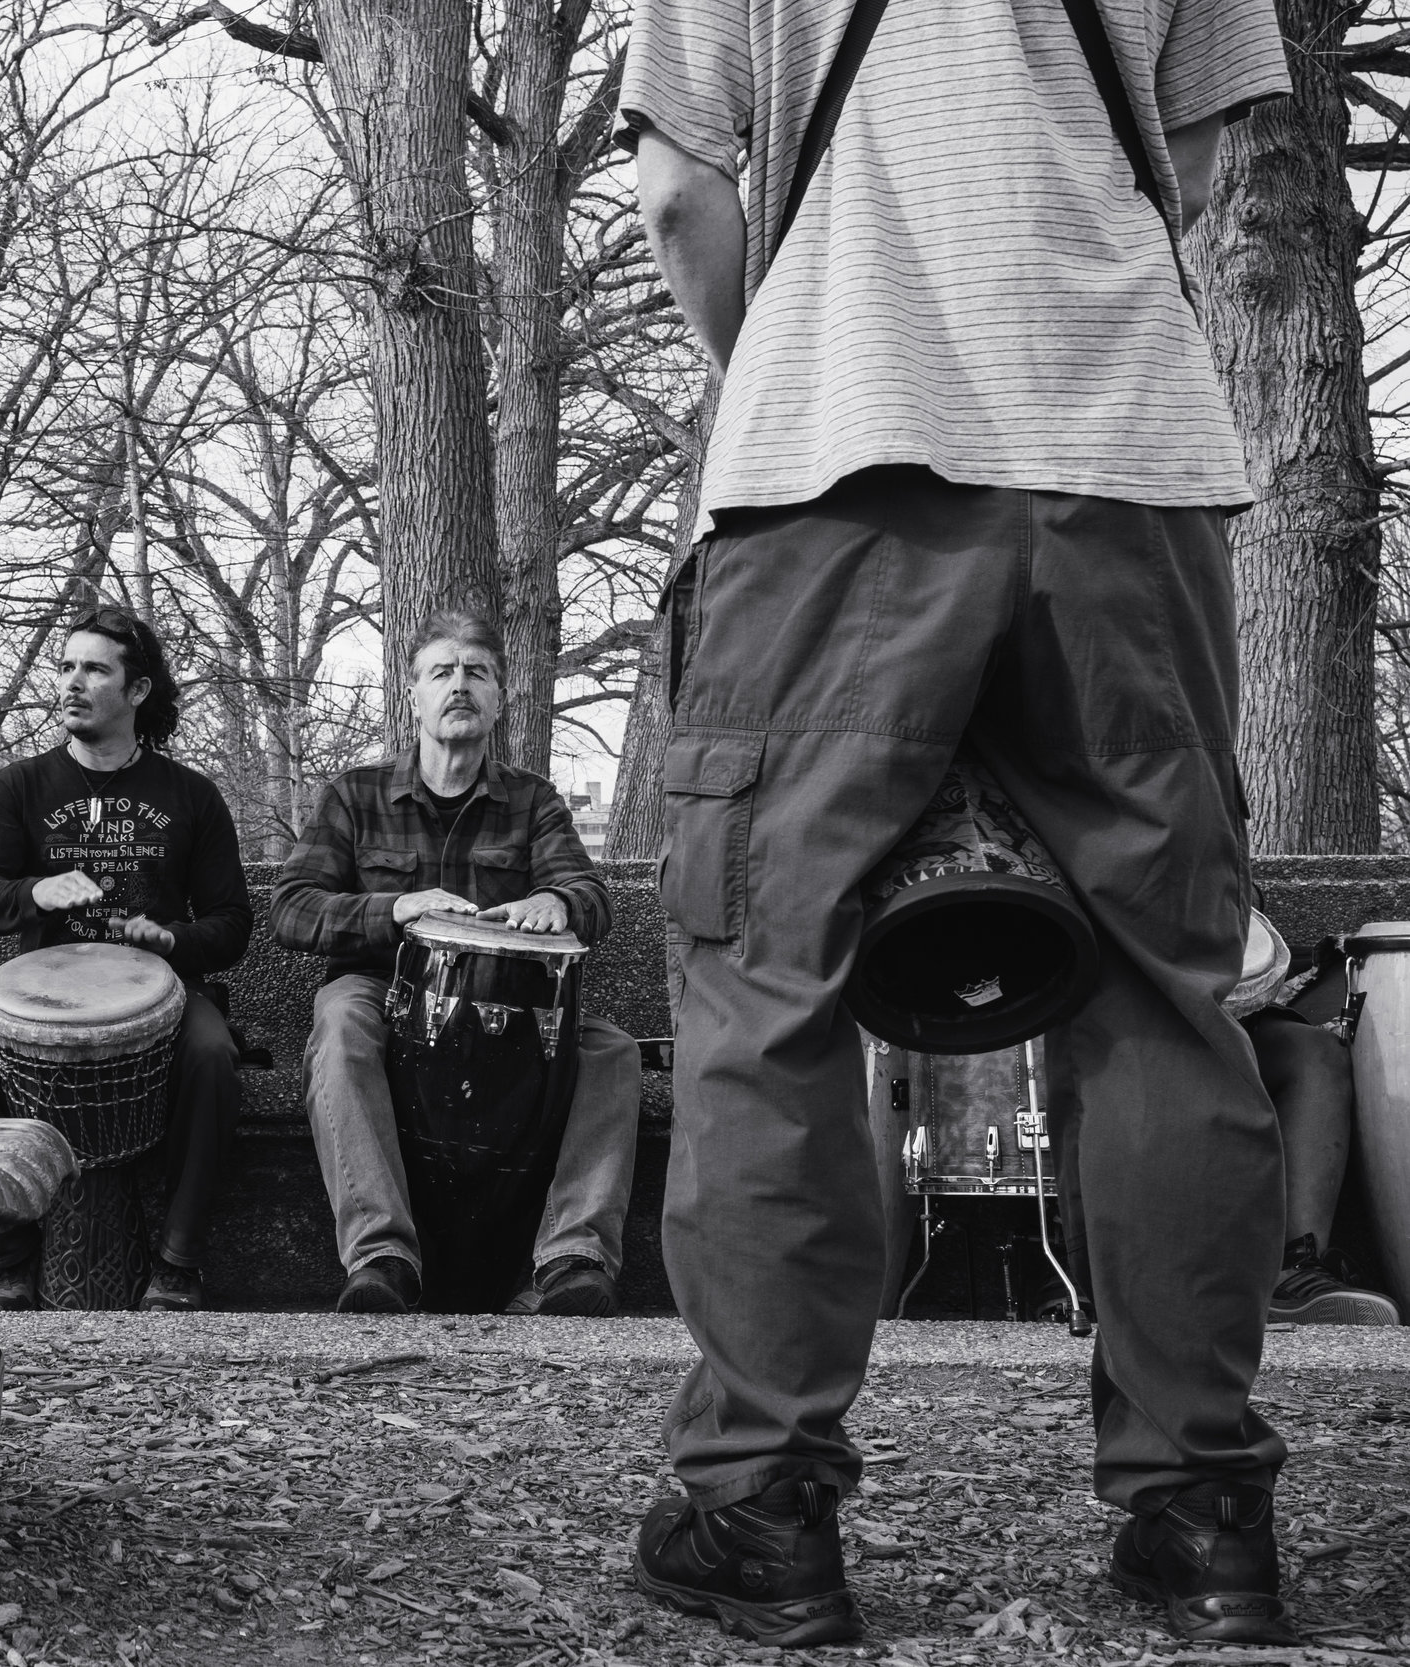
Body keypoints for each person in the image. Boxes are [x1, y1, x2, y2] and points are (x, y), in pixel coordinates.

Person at [626, 0, 1298, 1647]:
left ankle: (762, 1506)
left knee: (764, 970)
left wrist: (772, 367)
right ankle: (1201, 1520)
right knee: (1167, 986)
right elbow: (1195, 153)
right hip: (1126, 456)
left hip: (840, 456)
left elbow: (678, 191)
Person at [272, 611, 639, 1317]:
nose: (459, 685)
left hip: (499, 1009)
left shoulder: (532, 801)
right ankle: (383, 1256)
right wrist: (395, 908)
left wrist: (558, 901)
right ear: (412, 695)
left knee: (612, 1049)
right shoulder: (357, 794)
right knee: (340, 1020)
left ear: (501, 698)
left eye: (477, 672)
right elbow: (292, 907)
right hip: (383, 991)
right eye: (441, 671)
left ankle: (573, 1257)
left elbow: (591, 895)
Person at [0, 608, 252, 1312]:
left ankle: (177, 1263)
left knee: (212, 1056)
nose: (71, 683)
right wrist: (36, 890)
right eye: (65, 666)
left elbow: (233, 923)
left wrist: (173, 939)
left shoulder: (191, 796)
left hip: (162, 996)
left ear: (137, 691)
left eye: (94, 669)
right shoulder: (18, 788)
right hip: (39, 1001)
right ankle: (9, 1257)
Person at [1236, 923, 1400, 1326]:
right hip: (1107, 995)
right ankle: (1076, 1253)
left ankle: (1297, 1268)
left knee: (1315, 1055)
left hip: (1217, 992)